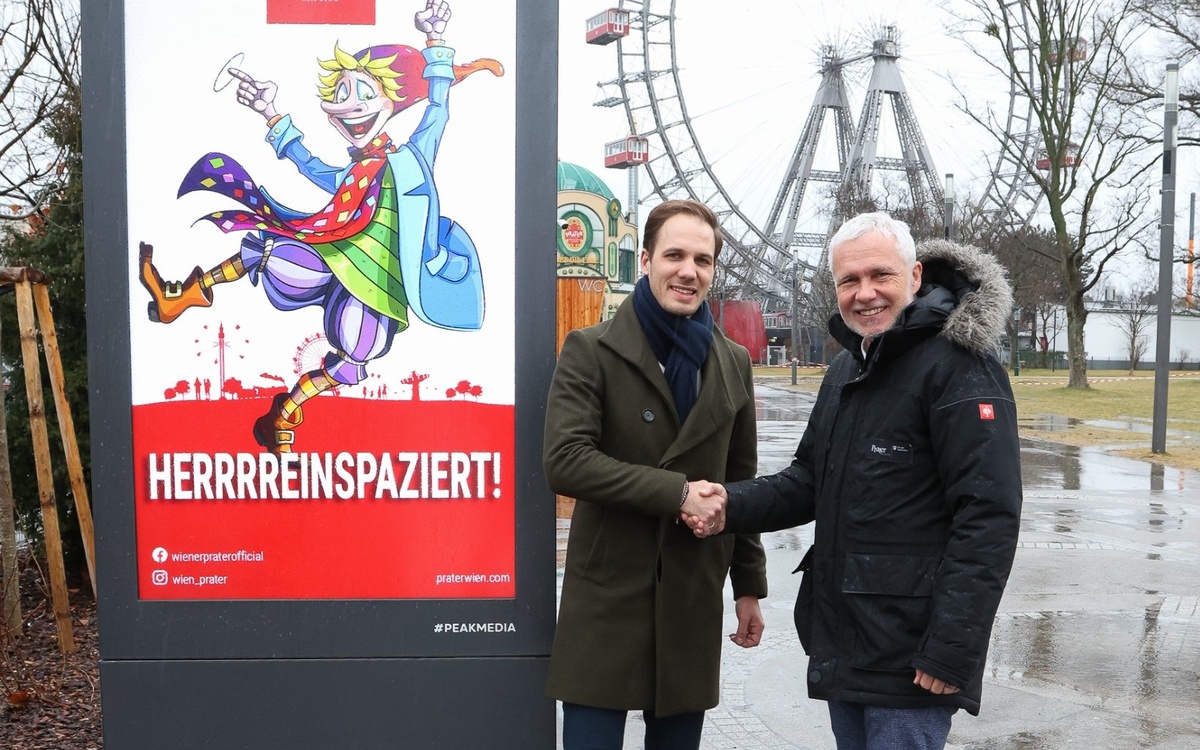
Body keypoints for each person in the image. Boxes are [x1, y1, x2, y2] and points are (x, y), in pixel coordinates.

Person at [690, 212, 1022, 750]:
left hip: (914, 656)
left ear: (914, 277)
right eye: (849, 280)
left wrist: (950, 650)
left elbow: (988, 517)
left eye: (880, 276)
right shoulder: (848, 370)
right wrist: (728, 502)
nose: (864, 293)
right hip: (850, 640)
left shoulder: (960, 367)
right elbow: (806, 482)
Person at [137, 0, 502, 452]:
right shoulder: (353, 174)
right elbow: (308, 165)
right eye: (342, 94)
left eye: (364, 94)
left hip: (381, 284)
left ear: (391, 101)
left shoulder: (409, 160)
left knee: (356, 355)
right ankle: (184, 295)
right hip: (334, 256)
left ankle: (286, 413)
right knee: (269, 248)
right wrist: (271, 112)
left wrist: (436, 42)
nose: (350, 107)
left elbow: (439, 112)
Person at [544, 199, 768, 749]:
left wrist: (748, 587)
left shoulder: (733, 361)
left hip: (691, 592)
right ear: (645, 260)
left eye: (703, 259)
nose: (688, 271)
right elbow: (566, 460)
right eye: (674, 255)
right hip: (608, 595)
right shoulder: (590, 351)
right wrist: (677, 494)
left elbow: (741, 479)